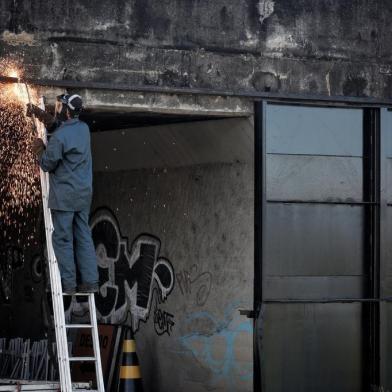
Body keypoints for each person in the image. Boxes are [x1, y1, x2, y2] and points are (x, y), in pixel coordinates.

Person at [31, 94, 99, 294]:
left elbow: (46, 163)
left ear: (66, 111)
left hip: (64, 198)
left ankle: (69, 284)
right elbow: (65, 133)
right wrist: (44, 117)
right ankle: (91, 281)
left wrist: (39, 150)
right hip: (83, 195)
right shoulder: (84, 129)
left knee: (62, 239)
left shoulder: (60, 137)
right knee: (83, 236)